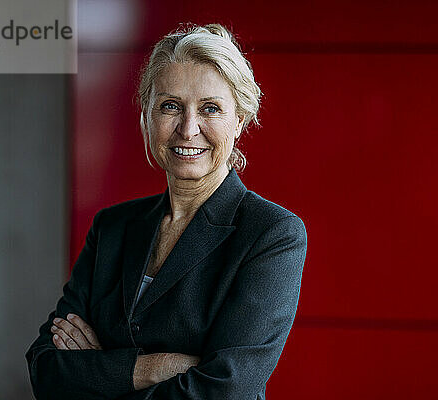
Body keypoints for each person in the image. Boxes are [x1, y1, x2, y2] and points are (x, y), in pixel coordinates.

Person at [26, 23, 307, 400]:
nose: (188, 129)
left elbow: (227, 390)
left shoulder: (271, 234)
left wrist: (99, 373)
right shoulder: (113, 227)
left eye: (210, 108)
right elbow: (45, 368)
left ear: (239, 121)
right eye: (170, 106)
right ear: (147, 117)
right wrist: (151, 368)